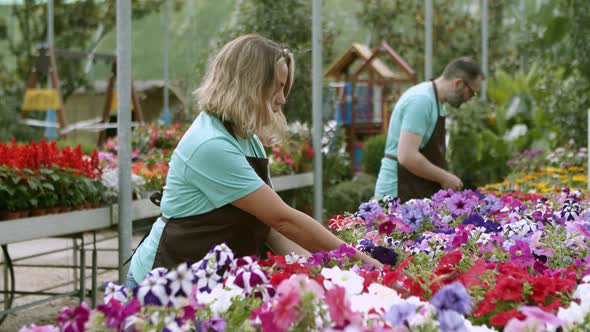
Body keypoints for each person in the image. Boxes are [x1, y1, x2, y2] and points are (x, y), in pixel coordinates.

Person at [126, 34, 382, 289]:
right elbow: (285, 220)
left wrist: (318, 271)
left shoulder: (247, 139)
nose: (282, 99)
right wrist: (365, 264)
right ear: (249, 84)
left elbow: (270, 226)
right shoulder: (211, 144)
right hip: (164, 279)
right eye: (277, 87)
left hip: (208, 278)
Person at [374, 57, 484, 203]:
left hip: (414, 187)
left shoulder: (437, 102)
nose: (470, 99)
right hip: (396, 192)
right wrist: (445, 177)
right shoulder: (421, 100)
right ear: (458, 83)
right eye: (471, 93)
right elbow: (407, 156)